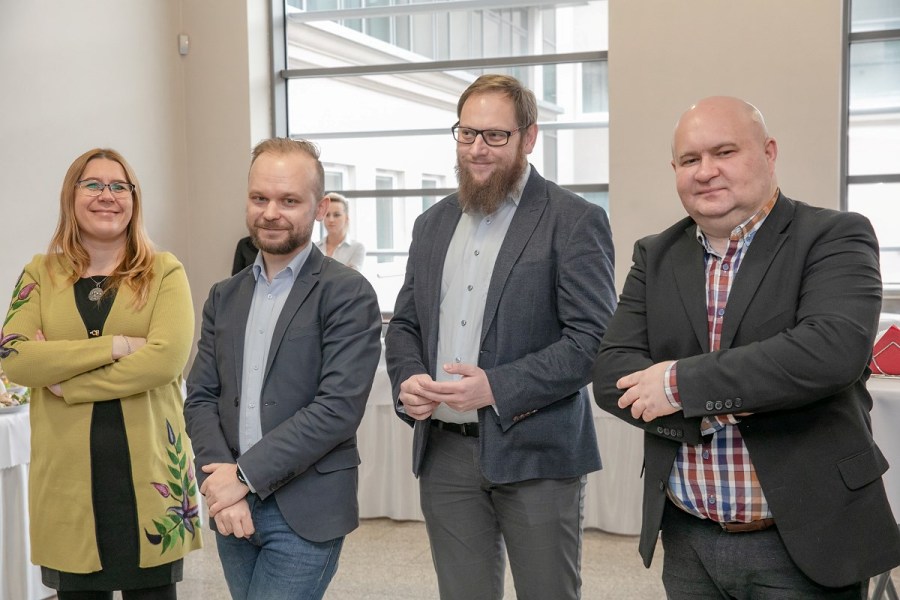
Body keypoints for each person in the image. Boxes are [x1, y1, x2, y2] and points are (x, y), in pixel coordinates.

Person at [592, 96, 900, 598]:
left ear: (768, 152)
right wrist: (740, 396)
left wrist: (677, 386)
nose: (705, 171)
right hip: (688, 536)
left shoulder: (834, 236)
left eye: (725, 152)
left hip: (804, 536)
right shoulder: (655, 254)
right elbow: (610, 375)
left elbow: (829, 352)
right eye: (690, 159)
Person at [384, 74, 616, 600]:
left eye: (494, 135)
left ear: (528, 138)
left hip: (538, 454)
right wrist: (408, 378)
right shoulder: (431, 224)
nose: (477, 149)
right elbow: (405, 325)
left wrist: (496, 387)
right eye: (467, 134)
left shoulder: (574, 220)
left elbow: (592, 341)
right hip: (445, 454)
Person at [184, 137, 382, 600]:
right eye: (260, 198)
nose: (271, 212)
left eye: (289, 201)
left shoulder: (347, 293)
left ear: (320, 208)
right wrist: (220, 481)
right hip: (231, 507)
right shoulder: (224, 296)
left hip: (304, 510)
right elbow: (201, 396)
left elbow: (336, 409)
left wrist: (241, 478)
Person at [0, 148, 200, 600]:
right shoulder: (39, 273)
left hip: (150, 478)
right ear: (71, 196)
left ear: (133, 199)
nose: (106, 195)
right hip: (66, 481)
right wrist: (117, 345)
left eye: (119, 186)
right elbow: (15, 358)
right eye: (92, 184)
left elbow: (166, 361)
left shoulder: (164, 271)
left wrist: (65, 381)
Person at [315, 192, 366, 270]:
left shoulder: (357, 248)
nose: (331, 220)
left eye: (336, 215)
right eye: (327, 215)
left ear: (346, 218)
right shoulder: (314, 248)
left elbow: (351, 277)